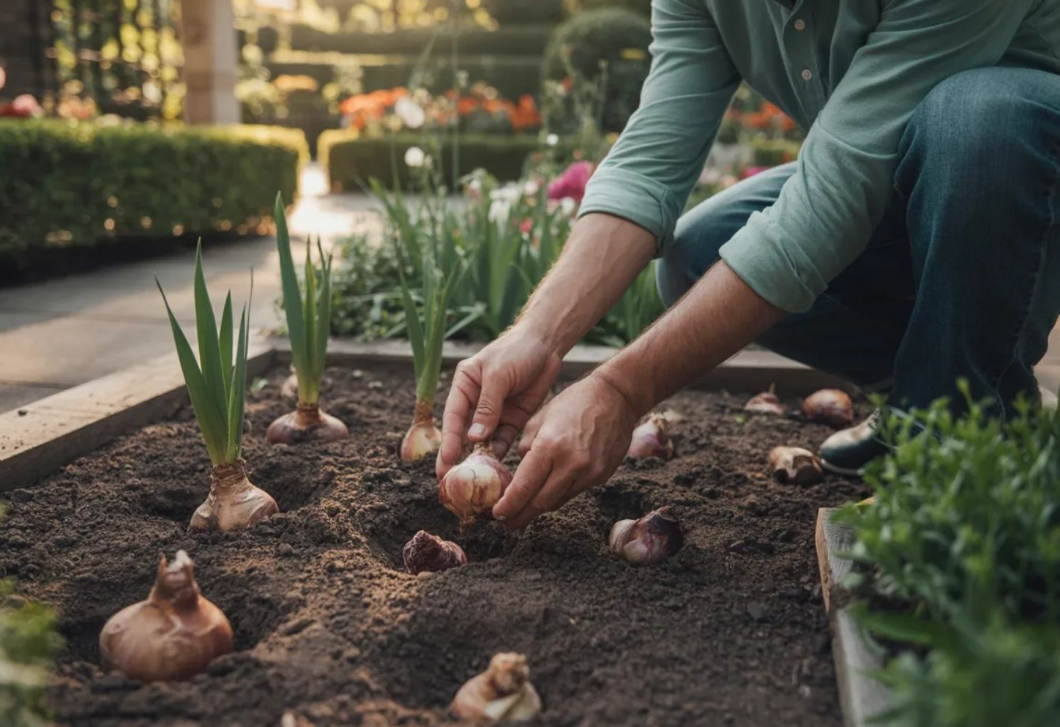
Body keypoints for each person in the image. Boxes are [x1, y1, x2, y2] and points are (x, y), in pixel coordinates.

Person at [436, 0, 1060, 529]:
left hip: (1028, 182)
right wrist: (536, 335)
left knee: (978, 119)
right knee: (698, 257)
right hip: (907, 178)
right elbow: (651, 162)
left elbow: (833, 197)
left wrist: (621, 390)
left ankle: (952, 446)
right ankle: (947, 395)